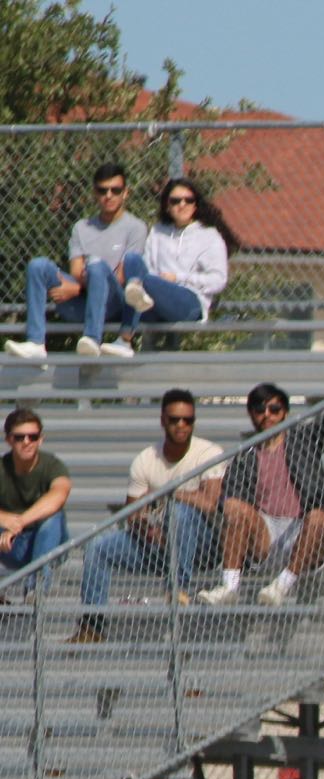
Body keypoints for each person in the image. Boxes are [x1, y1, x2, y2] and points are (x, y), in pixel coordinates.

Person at [204, 373, 324, 605]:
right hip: (267, 532)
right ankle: (228, 587)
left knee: (319, 516)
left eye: (274, 408)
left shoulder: (304, 440)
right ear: (251, 415)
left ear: (285, 413)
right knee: (234, 507)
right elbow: (230, 503)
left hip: (307, 530)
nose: (267, 414)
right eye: (260, 409)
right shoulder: (243, 456)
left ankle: (282, 586)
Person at [71, 389, 227, 642]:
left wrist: (165, 493)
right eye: (175, 419)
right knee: (97, 547)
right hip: (159, 544)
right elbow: (132, 513)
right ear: (163, 420)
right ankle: (92, 626)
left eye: (188, 420)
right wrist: (148, 531)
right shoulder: (145, 459)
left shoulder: (208, 453)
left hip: (204, 546)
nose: (181, 425)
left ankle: (178, 592)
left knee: (179, 513)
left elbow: (209, 504)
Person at [6, 163, 147, 361]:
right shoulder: (82, 227)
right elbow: (75, 271)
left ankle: (92, 338)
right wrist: (79, 288)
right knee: (38, 266)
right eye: (102, 190)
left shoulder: (136, 227)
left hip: (114, 303)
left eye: (115, 190)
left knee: (96, 265)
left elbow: (123, 278)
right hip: (81, 303)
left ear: (125, 193)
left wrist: (78, 288)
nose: (109, 195)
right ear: (94, 193)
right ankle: (36, 342)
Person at [122, 177, 235, 336]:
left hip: (190, 302)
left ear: (195, 205)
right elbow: (148, 264)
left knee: (140, 281)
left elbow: (218, 280)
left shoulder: (209, 236)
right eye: (175, 201)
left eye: (188, 200)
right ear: (167, 206)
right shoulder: (158, 232)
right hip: (154, 298)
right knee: (131, 259)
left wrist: (178, 278)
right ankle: (121, 339)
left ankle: (125, 336)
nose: (182, 205)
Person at [0, 407, 72, 590]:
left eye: (32, 437)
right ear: (8, 439)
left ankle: (35, 592)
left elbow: (59, 494)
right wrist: (4, 519)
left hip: (52, 543)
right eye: (19, 437)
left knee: (53, 517)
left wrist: (20, 522)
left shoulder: (53, 465)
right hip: (12, 544)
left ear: (41, 439)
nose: (27, 442)